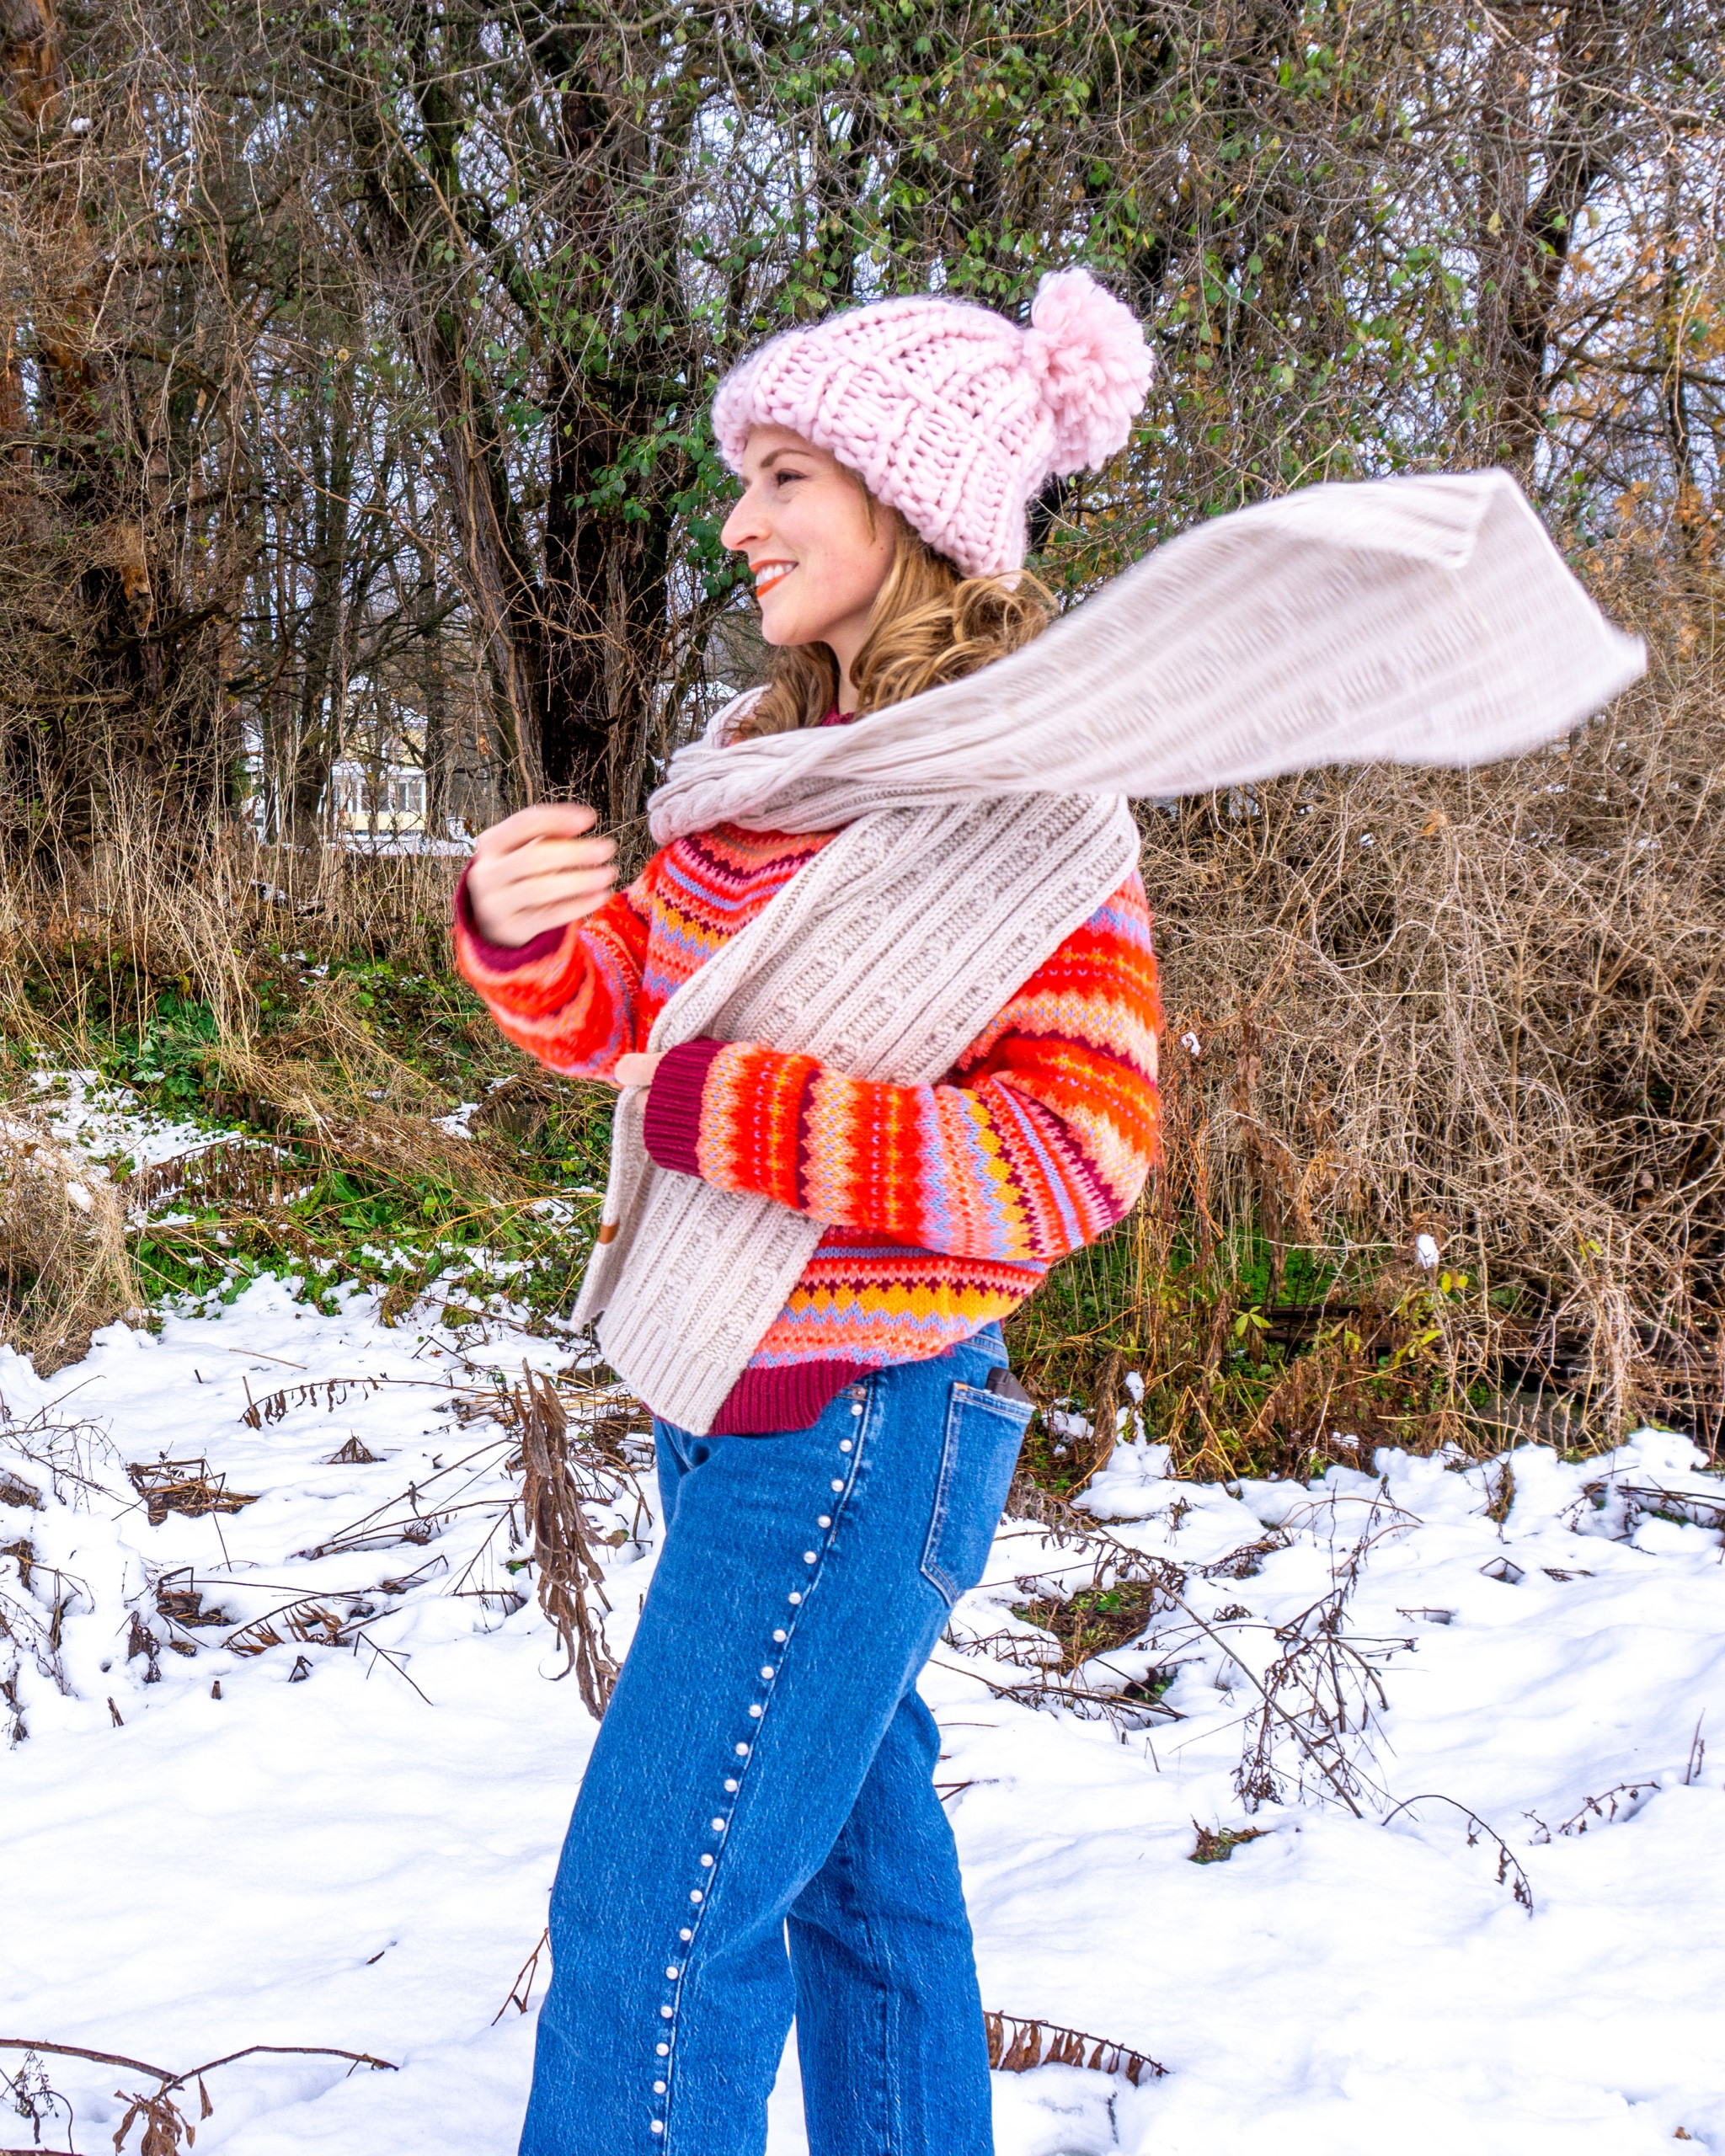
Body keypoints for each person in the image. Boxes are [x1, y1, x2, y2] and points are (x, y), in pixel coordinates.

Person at [455, 269, 1164, 2155]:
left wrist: (731, 1108)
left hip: (860, 1431)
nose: (738, 519)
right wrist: (522, 941)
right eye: (742, 477)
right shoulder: (755, 781)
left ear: (911, 512)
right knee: (862, 1900)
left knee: (647, 1933)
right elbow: (629, 1015)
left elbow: (1071, 1157)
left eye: (782, 477)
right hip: (728, 1405)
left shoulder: (1023, 805)